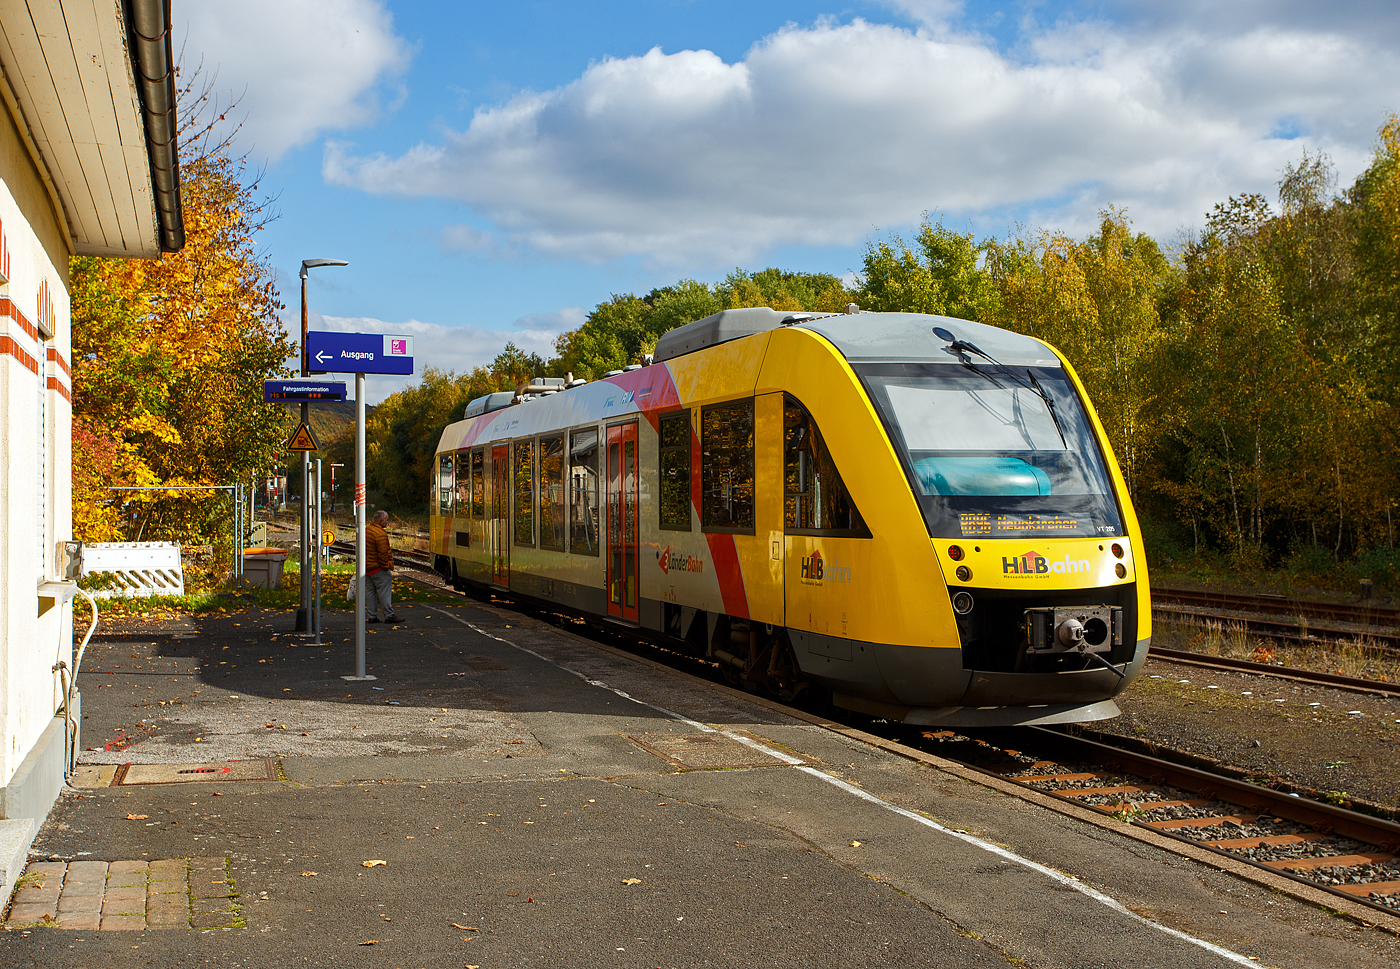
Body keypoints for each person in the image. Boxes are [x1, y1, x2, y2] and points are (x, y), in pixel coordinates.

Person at [364, 510, 403, 624]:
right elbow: (383, 553)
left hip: (367, 568)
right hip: (378, 568)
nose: (387, 522)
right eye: (386, 520)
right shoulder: (380, 534)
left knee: (370, 592)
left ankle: (372, 616)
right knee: (384, 592)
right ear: (381, 521)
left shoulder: (367, 530)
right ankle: (389, 615)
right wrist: (387, 566)